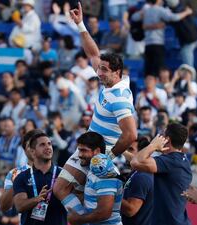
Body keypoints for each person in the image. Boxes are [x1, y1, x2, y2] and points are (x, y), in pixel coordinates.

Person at [53, 2, 137, 218]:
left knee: (70, 191)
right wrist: (80, 24)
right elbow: (92, 52)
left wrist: (110, 156)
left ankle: (83, 220)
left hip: (100, 154)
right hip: (89, 148)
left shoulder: (118, 98)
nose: (99, 73)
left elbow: (131, 134)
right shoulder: (111, 83)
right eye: (99, 69)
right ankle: (85, 218)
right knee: (65, 190)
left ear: (117, 72)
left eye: (104, 70)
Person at [130, 123, 192, 225]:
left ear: (167, 139)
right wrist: (121, 151)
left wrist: (153, 145)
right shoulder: (179, 160)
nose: (159, 137)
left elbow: (135, 162)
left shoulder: (170, 161)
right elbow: (138, 161)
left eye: (161, 135)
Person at [67, 133, 123, 225]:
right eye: (79, 150)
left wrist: (78, 219)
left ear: (97, 151)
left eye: (84, 150)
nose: (79, 155)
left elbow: (104, 213)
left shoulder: (103, 171)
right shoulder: (95, 167)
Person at [13, 132, 67, 225]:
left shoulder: (64, 175)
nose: (48, 147)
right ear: (33, 151)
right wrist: (37, 199)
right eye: (42, 144)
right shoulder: (22, 177)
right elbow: (19, 206)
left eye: (49, 144)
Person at [0, 129, 45, 225]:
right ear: (24, 149)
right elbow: (4, 207)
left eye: (39, 144)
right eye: (30, 145)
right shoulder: (14, 173)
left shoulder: (57, 172)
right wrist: (16, 183)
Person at [121, 137, 154, 225]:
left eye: (131, 149)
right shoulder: (137, 172)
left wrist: (109, 195)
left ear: (142, 153)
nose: (128, 153)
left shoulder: (142, 176)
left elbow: (130, 210)